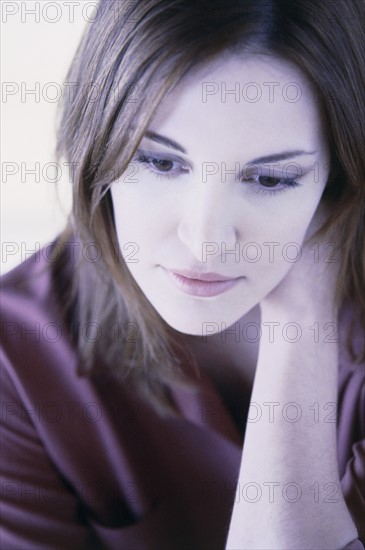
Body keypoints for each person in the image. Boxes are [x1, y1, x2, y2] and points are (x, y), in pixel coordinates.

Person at [1, 0, 364, 548]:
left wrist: (302, 320)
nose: (206, 241)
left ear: (338, 178)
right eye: (161, 163)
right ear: (99, 148)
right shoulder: (18, 351)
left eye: (269, 179)